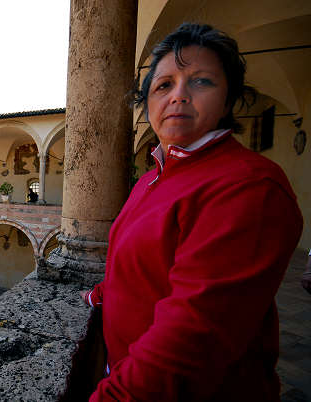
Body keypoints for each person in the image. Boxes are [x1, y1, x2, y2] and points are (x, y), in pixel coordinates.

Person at [80, 23, 303, 401]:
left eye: (201, 82)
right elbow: (142, 265)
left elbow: (192, 340)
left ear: (228, 100)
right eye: (163, 85)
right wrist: (102, 295)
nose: (178, 95)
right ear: (147, 102)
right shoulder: (151, 179)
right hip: (122, 366)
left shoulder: (248, 185)